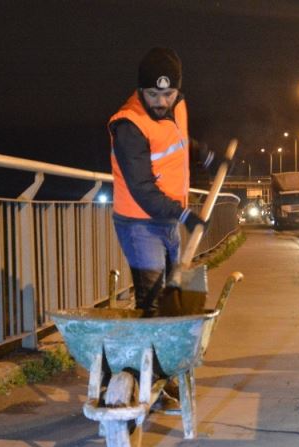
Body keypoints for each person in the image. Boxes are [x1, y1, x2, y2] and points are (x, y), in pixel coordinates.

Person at [108, 46, 207, 316]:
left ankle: (169, 352)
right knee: (151, 301)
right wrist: (184, 214)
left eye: (168, 94)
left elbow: (175, 141)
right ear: (140, 90)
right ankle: (148, 357)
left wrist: (205, 155)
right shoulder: (129, 126)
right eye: (152, 94)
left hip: (167, 218)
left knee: (170, 294)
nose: (161, 102)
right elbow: (142, 189)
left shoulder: (177, 106)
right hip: (139, 223)